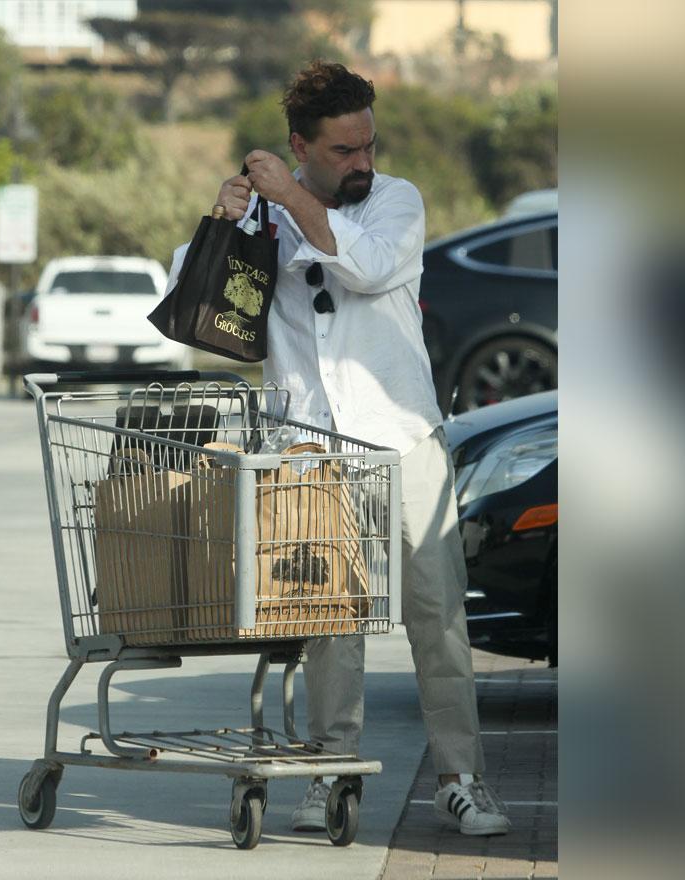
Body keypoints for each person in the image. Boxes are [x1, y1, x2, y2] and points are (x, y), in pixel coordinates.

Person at [170, 61, 510, 837]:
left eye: (369, 145)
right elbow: (194, 302)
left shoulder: (396, 200)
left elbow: (367, 268)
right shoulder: (264, 211)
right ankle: (330, 773)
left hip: (402, 436)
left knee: (437, 613)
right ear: (302, 144)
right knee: (329, 622)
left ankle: (462, 779)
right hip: (308, 445)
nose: (363, 162)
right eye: (344, 152)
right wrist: (223, 220)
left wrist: (293, 200)